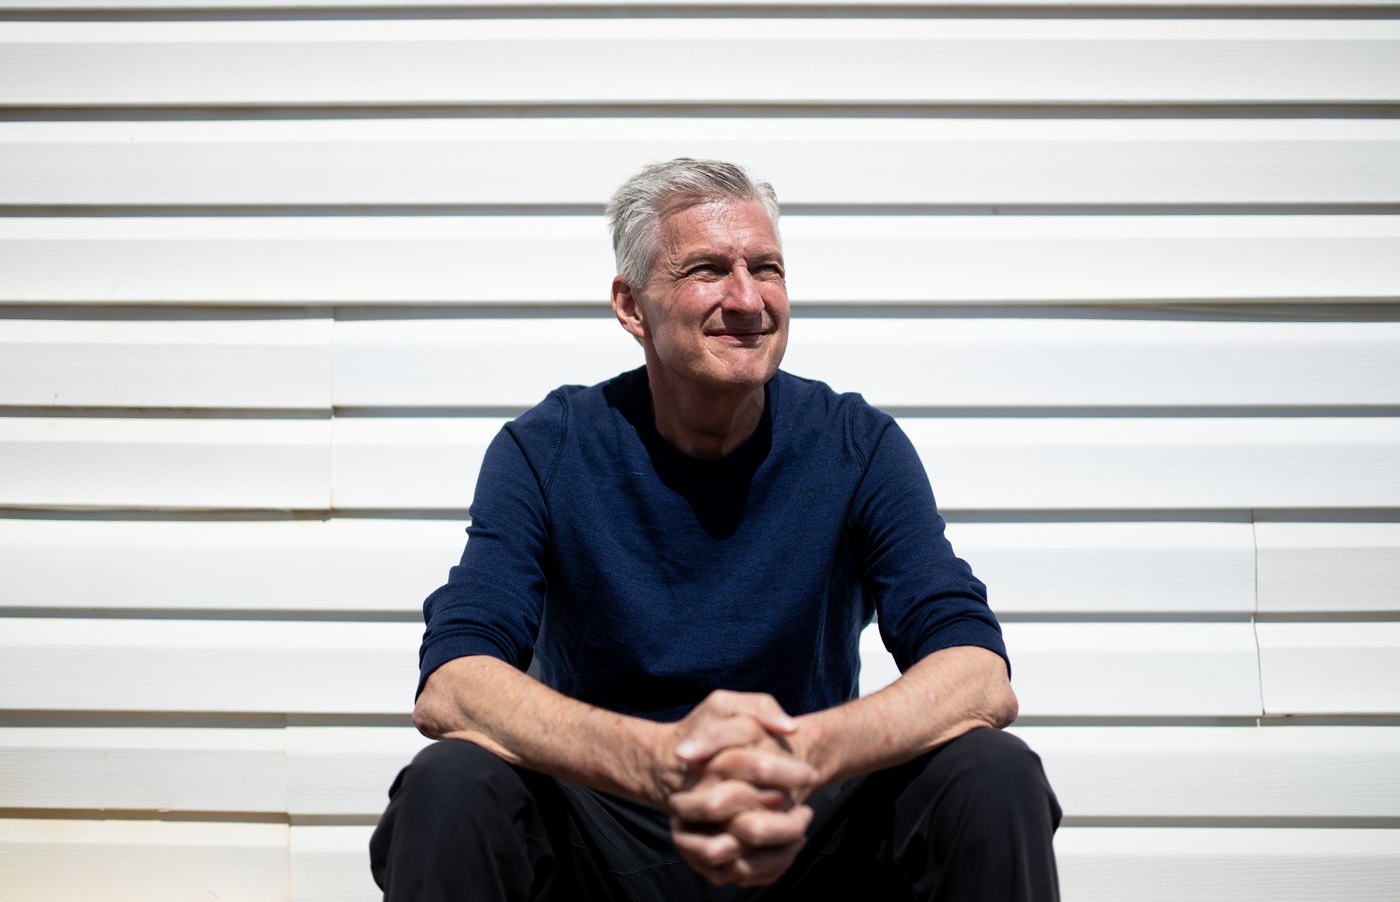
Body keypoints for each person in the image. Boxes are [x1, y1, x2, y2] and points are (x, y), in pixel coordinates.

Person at [370, 158, 1061, 900]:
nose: (748, 299)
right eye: (708, 269)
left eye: (766, 268)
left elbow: (976, 672)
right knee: (450, 784)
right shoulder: (547, 450)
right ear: (631, 306)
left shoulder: (856, 446)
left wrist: (801, 752)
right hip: (605, 833)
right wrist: (661, 761)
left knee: (992, 772)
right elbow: (454, 683)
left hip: (806, 825)